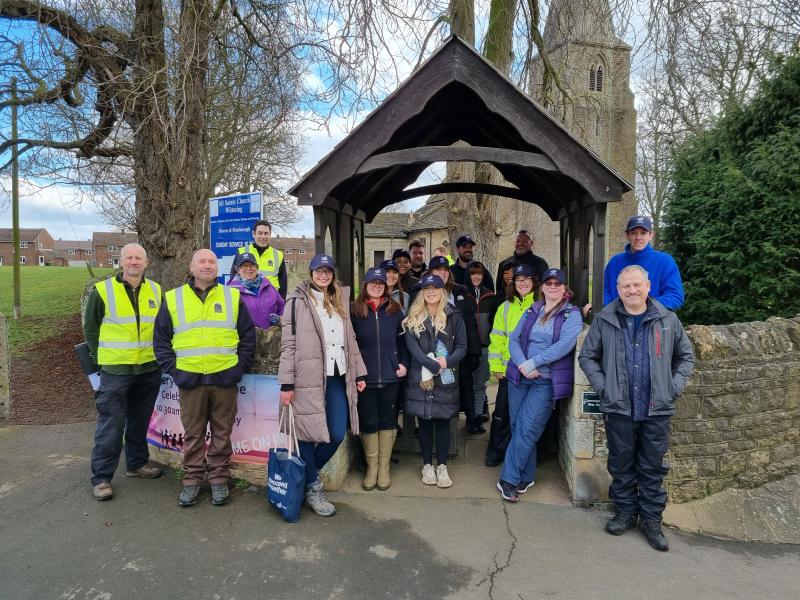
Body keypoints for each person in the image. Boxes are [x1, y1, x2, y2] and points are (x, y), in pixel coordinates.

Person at [579, 265, 695, 551]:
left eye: (636, 285)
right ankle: (626, 513)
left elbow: (686, 357)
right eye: (626, 286)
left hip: (656, 408)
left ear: (647, 286)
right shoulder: (605, 320)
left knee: (652, 467)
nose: (632, 290)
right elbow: (588, 357)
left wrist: (673, 387)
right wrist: (605, 388)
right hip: (619, 407)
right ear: (618, 290)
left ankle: (652, 521)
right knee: (621, 463)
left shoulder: (667, 320)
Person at [154, 249, 256, 507]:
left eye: (211, 261)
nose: (207, 265)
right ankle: (191, 481)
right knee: (193, 434)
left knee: (222, 433)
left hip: (224, 379)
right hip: (191, 380)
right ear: (191, 267)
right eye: (202, 261)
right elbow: (161, 341)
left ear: (217, 268)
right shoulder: (173, 298)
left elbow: (248, 337)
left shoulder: (232, 297)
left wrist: (238, 369)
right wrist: (175, 371)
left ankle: (219, 480)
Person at [278, 253, 368, 516]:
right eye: (319, 271)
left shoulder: (340, 299)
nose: (324, 275)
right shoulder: (295, 302)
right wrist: (287, 383)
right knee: (305, 434)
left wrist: (359, 373)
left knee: (337, 432)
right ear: (311, 272)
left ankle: (305, 477)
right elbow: (288, 344)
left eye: (328, 271)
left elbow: (349, 339)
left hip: (337, 374)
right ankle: (313, 487)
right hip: (307, 376)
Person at [84, 243, 164, 501]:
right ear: (121, 262)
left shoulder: (155, 290)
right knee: (111, 424)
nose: (134, 262)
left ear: (146, 262)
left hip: (148, 368)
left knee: (140, 420)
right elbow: (91, 328)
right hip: (116, 370)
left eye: (138, 258)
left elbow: (161, 326)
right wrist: (101, 359)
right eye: (129, 257)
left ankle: (137, 464)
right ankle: (102, 478)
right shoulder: (102, 291)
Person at [497, 268, 582, 502]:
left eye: (558, 283)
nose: (553, 286)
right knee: (518, 427)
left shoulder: (571, 315)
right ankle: (526, 475)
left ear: (564, 288)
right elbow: (513, 339)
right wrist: (523, 363)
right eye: (549, 283)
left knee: (528, 427)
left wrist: (535, 362)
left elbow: (565, 345)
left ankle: (509, 479)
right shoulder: (533, 309)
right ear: (542, 287)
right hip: (519, 375)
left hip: (544, 381)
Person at [403, 274, 467, 488]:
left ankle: (442, 465)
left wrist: (446, 362)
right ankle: (427, 465)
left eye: (435, 288)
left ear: (442, 291)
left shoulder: (454, 316)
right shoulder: (413, 316)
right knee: (425, 422)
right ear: (422, 292)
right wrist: (432, 365)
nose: (431, 292)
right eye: (427, 288)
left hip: (446, 378)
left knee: (442, 422)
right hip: (421, 378)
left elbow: (462, 347)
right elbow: (413, 349)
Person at [350, 267, 409, 491]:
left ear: (386, 287)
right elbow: (350, 346)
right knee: (369, 422)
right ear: (365, 285)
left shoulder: (395, 310)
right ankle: (371, 468)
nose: (377, 286)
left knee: (387, 421)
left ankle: (383, 468)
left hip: (391, 376)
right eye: (373, 283)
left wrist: (404, 363)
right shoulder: (355, 310)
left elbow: (404, 342)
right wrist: (356, 373)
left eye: (381, 283)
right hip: (365, 378)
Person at [485, 263, 535, 467]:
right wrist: (496, 365)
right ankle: (496, 452)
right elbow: (497, 338)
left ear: (534, 282)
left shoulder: (540, 305)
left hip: (532, 371)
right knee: (502, 414)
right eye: (518, 280)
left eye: (527, 280)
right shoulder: (505, 307)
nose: (522, 283)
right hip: (508, 371)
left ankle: (521, 456)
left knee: (527, 417)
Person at [427, 255, 483, 434]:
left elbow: (471, 323)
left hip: (460, 348)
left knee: (466, 386)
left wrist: (474, 351)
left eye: (445, 270)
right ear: (430, 272)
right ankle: (440, 425)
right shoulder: (421, 291)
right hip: (434, 350)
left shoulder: (460, 292)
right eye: (438, 270)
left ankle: (471, 420)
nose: (442, 273)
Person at [602, 215, 684, 311]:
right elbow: (605, 293)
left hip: (653, 321)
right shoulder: (615, 262)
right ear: (627, 235)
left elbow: (675, 296)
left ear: (650, 235)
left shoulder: (665, 261)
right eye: (633, 233)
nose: (638, 237)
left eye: (643, 233)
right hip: (618, 321)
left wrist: (643, 308)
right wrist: (598, 305)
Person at [467, 261, 496, 424]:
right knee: (467, 385)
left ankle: (478, 415)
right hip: (468, 350)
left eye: (479, 273)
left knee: (480, 384)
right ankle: (469, 416)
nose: (476, 276)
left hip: (485, 348)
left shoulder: (490, 296)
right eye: (472, 273)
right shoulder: (463, 295)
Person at [226, 252, 285, 329]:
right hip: (246, 339)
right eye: (244, 266)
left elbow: (282, 306)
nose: (248, 268)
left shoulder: (268, 286)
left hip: (271, 338)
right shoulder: (230, 291)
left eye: (252, 265)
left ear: (257, 267)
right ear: (237, 270)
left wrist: (279, 320)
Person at [236, 219, 288, 299]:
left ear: (270, 234)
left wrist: (281, 305)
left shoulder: (278, 255)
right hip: (247, 302)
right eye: (260, 233)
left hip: (271, 303)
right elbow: (234, 279)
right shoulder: (242, 251)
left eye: (266, 233)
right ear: (254, 234)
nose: (263, 237)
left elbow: (283, 284)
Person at [496, 230, 548, 296]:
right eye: (518, 241)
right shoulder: (504, 264)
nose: (520, 244)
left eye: (525, 241)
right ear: (514, 243)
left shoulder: (541, 263)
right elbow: (499, 289)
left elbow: (545, 287)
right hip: (509, 303)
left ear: (531, 243)